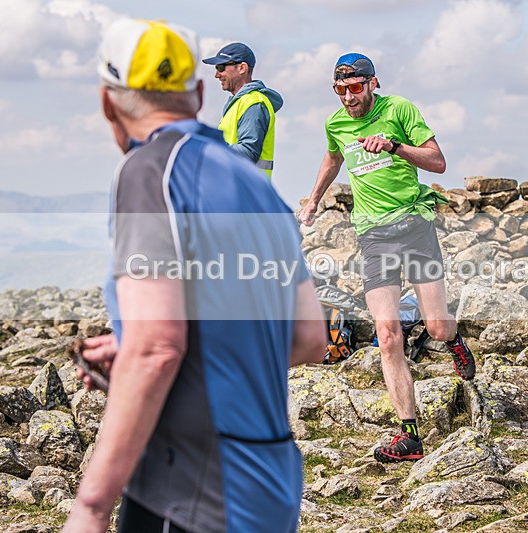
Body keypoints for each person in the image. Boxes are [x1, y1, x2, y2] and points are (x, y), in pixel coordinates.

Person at [63, 18, 324, 533]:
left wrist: (91, 505)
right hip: (270, 482)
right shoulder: (259, 187)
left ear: (107, 103)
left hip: (186, 485)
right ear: (199, 94)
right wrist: (136, 346)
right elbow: (309, 337)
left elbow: (158, 349)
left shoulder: (148, 171)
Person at [299, 53, 476, 464]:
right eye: (340, 90)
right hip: (374, 238)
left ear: (372, 83)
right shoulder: (335, 124)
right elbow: (333, 157)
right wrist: (313, 201)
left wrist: (395, 147)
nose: (348, 97)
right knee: (388, 334)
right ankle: (409, 435)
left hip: (414, 227)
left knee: (436, 325)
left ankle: (454, 340)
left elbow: (438, 162)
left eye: (354, 88)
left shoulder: (399, 109)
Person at [202, 42, 282, 179]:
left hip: (246, 188)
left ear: (242, 68)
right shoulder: (240, 103)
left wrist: (210, 145)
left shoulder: (254, 103)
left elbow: (248, 152)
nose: (217, 75)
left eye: (221, 67)